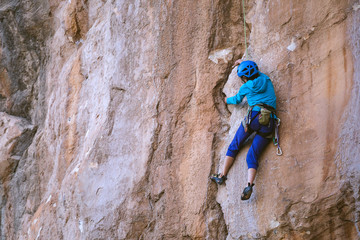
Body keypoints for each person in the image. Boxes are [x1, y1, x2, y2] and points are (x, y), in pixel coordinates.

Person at [210, 60, 277, 200]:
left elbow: (237, 100)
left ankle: (222, 176)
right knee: (252, 155)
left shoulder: (246, 86)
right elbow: (255, 71)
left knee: (235, 145)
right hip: (269, 122)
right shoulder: (265, 78)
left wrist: (226, 100)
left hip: (254, 118)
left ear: (244, 78)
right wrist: (244, 62)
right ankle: (249, 184)